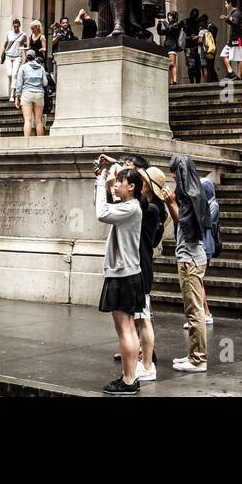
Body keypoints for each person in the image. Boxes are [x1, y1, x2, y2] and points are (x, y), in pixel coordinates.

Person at [93, 154, 144, 395]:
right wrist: (107, 180)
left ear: (131, 186)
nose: (116, 185)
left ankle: (128, 379)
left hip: (123, 274)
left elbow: (102, 213)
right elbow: (110, 205)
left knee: (125, 330)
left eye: (120, 182)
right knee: (129, 329)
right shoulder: (130, 207)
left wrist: (100, 184)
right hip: (128, 273)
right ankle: (130, 376)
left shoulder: (131, 208)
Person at [163, 154, 209, 373]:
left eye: (174, 171)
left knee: (194, 311)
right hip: (194, 256)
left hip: (189, 258)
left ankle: (198, 358)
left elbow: (184, 225)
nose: (173, 175)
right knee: (192, 310)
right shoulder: (196, 193)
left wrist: (171, 202)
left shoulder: (190, 196)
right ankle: (193, 354)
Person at [131, 158, 166, 382]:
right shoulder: (149, 207)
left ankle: (147, 363)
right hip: (139, 266)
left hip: (142, 268)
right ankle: (142, 356)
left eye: (142, 180)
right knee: (140, 316)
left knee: (144, 317)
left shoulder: (150, 209)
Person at [14, 49, 51, 137]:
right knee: (39, 120)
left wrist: (17, 96)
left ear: (26, 58)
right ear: (35, 57)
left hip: (26, 93)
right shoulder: (41, 68)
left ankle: (27, 143)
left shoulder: (23, 67)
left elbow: (19, 83)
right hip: (39, 94)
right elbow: (45, 83)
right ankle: (40, 142)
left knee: (28, 119)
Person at [199, 178, 220, 326]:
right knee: (198, 281)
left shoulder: (213, 205)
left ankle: (205, 313)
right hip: (202, 245)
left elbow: (205, 223)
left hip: (207, 245)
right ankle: (204, 312)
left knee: (198, 280)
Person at [1, 18, 29, 100]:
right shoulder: (9, 33)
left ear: (19, 26)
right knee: (9, 74)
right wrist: (2, 54)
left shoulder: (23, 35)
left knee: (14, 74)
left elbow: (25, 46)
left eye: (17, 26)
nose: (16, 28)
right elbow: (5, 45)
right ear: (13, 26)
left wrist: (26, 57)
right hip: (8, 56)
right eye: (14, 26)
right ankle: (14, 85)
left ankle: (12, 95)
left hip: (17, 56)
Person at [221, 0, 242, 79]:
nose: (225, 5)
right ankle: (231, 72)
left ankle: (239, 76)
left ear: (230, 3)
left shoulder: (236, 13)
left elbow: (235, 23)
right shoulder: (234, 13)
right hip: (232, 39)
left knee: (239, 58)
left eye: (226, 3)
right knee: (223, 54)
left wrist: (227, 20)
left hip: (237, 39)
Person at [157, 10, 183, 84]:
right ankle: (171, 81)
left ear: (174, 17)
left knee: (172, 64)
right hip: (167, 47)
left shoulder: (176, 25)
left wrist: (163, 21)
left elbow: (169, 28)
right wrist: (159, 25)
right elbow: (160, 32)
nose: (169, 17)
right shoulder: (169, 26)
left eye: (171, 16)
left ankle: (174, 79)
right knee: (169, 65)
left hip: (172, 46)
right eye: (168, 16)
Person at [199, 13, 218, 82]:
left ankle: (212, 80)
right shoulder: (209, 27)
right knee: (210, 66)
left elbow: (203, 40)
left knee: (208, 66)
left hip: (209, 48)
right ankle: (214, 80)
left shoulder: (211, 27)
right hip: (210, 48)